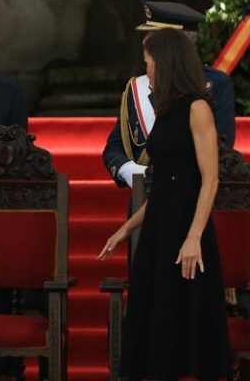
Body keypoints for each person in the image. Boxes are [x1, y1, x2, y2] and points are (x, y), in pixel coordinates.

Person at [99, 27, 231, 380]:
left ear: (166, 61)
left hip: (187, 231)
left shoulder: (198, 107)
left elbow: (209, 180)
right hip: (159, 230)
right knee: (156, 322)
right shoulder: (167, 109)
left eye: (149, 61)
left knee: (186, 327)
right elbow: (166, 188)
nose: (147, 69)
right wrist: (126, 229)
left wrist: (194, 238)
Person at [103, 1, 235, 189]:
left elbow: (222, 149)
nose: (146, 41)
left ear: (178, 45)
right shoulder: (136, 87)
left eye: (154, 37)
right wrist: (128, 170)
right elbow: (113, 147)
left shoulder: (215, 85)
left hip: (190, 194)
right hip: (143, 198)